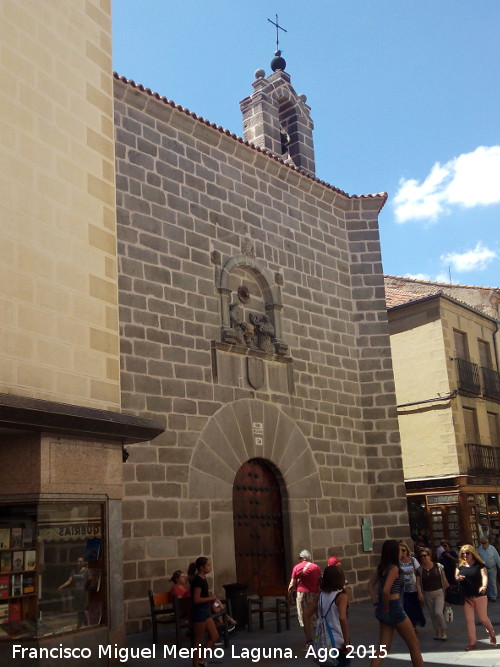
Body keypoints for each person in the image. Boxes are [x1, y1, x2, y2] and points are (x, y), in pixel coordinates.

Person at [369, 539, 424, 667]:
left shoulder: (381, 567)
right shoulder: (394, 568)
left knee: (383, 648)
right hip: (394, 607)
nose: (401, 552)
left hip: (384, 607)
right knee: (414, 644)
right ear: (394, 552)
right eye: (399, 550)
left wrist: (376, 602)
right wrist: (387, 607)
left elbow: (370, 584)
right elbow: (386, 590)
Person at [303, 565, 350, 666]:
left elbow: (306, 615)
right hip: (338, 642)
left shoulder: (320, 596)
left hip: (322, 642)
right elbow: (342, 618)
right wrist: (347, 643)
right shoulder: (341, 597)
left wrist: (309, 639)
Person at [455, 544, 496, 651]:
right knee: (469, 620)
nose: (465, 555)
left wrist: (484, 586)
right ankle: (472, 642)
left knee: (483, 618)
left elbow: (484, 577)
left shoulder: (480, 565)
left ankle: (491, 632)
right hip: (467, 597)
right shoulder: (460, 566)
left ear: (473, 554)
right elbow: (456, 576)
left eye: (467, 553)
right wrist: (458, 578)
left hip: (479, 596)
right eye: (462, 553)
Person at [171, 569, 237, 632]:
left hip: (196, 606)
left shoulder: (186, 588)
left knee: (216, 604)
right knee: (215, 605)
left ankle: (223, 622)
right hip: (188, 608)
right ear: (177, 579)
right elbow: (180, 601)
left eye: (184, 576)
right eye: (182, 577)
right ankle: (225, 621)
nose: (184, 578)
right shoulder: (175, 588)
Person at [190, 557, 219, 667]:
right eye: (208, 565)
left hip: (205, 611)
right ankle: (195, 664)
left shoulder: (203, 579)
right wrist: (211, 598)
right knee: (198, 640)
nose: (210, 567)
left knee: (214, 636)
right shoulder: (197, 581)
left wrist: (212, 603)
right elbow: (196, 599)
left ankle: (201, 659)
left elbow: (204, 596)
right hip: (199, 612)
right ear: (201, 568)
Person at [287, 549, 321, 639]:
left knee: (304, 617)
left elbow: (291, 585)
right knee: (315, 617)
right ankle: (318, 638)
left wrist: (289, 597)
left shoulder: (296, 568)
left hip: (301, 595)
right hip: (314, 595)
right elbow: (320, 582)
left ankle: (308, 640)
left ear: (302, 558)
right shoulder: (316, 567)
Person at [417, 547, 448, 640]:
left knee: (438, 612)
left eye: (425, 556)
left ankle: (443, 631)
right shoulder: (419, 569)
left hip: (439, 592)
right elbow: (418, 583)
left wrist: (448, 592)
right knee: (432, 614)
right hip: (427, 593)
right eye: (421, 557)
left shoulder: (438, 566)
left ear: (429, 556)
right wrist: (420, 593)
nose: (423, 558)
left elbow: (444, 579)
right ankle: (437, 632)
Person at [398, 541, 426, 630]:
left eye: (403, 550)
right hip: (403, 589)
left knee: (416, 608)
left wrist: (419, 587)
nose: (402, 552)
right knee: (407, 608)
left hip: (414, 587)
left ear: (407, 550)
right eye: (400, 550)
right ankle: (411, 626)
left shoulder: (413, 560)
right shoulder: (397, 562)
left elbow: (420, 572)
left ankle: (416, 623)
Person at [58, 556, 89, 628]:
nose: (79, 563)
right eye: (78, 561)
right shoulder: (74, 571)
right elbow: (69, 581)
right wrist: (62, 586)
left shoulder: (86, 571)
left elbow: (89, 580)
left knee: (81, 608)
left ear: (83, 562)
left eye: (81, 561)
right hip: (76, 592)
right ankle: (86, 622)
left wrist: (88, 590)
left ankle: (80, 624)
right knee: (80, 608)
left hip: (83, 592)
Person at [477, 536, 500, 601]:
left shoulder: (492, 548)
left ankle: (493, 596)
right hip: (484, 568)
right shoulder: (479, 549)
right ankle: (488, 595)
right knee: (485, 582)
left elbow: (497, 558)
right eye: (482, 543)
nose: (484, 544)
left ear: (488, 542)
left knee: (492, 582)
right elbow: (478, 558)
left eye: (485, 542)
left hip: (492, 567)